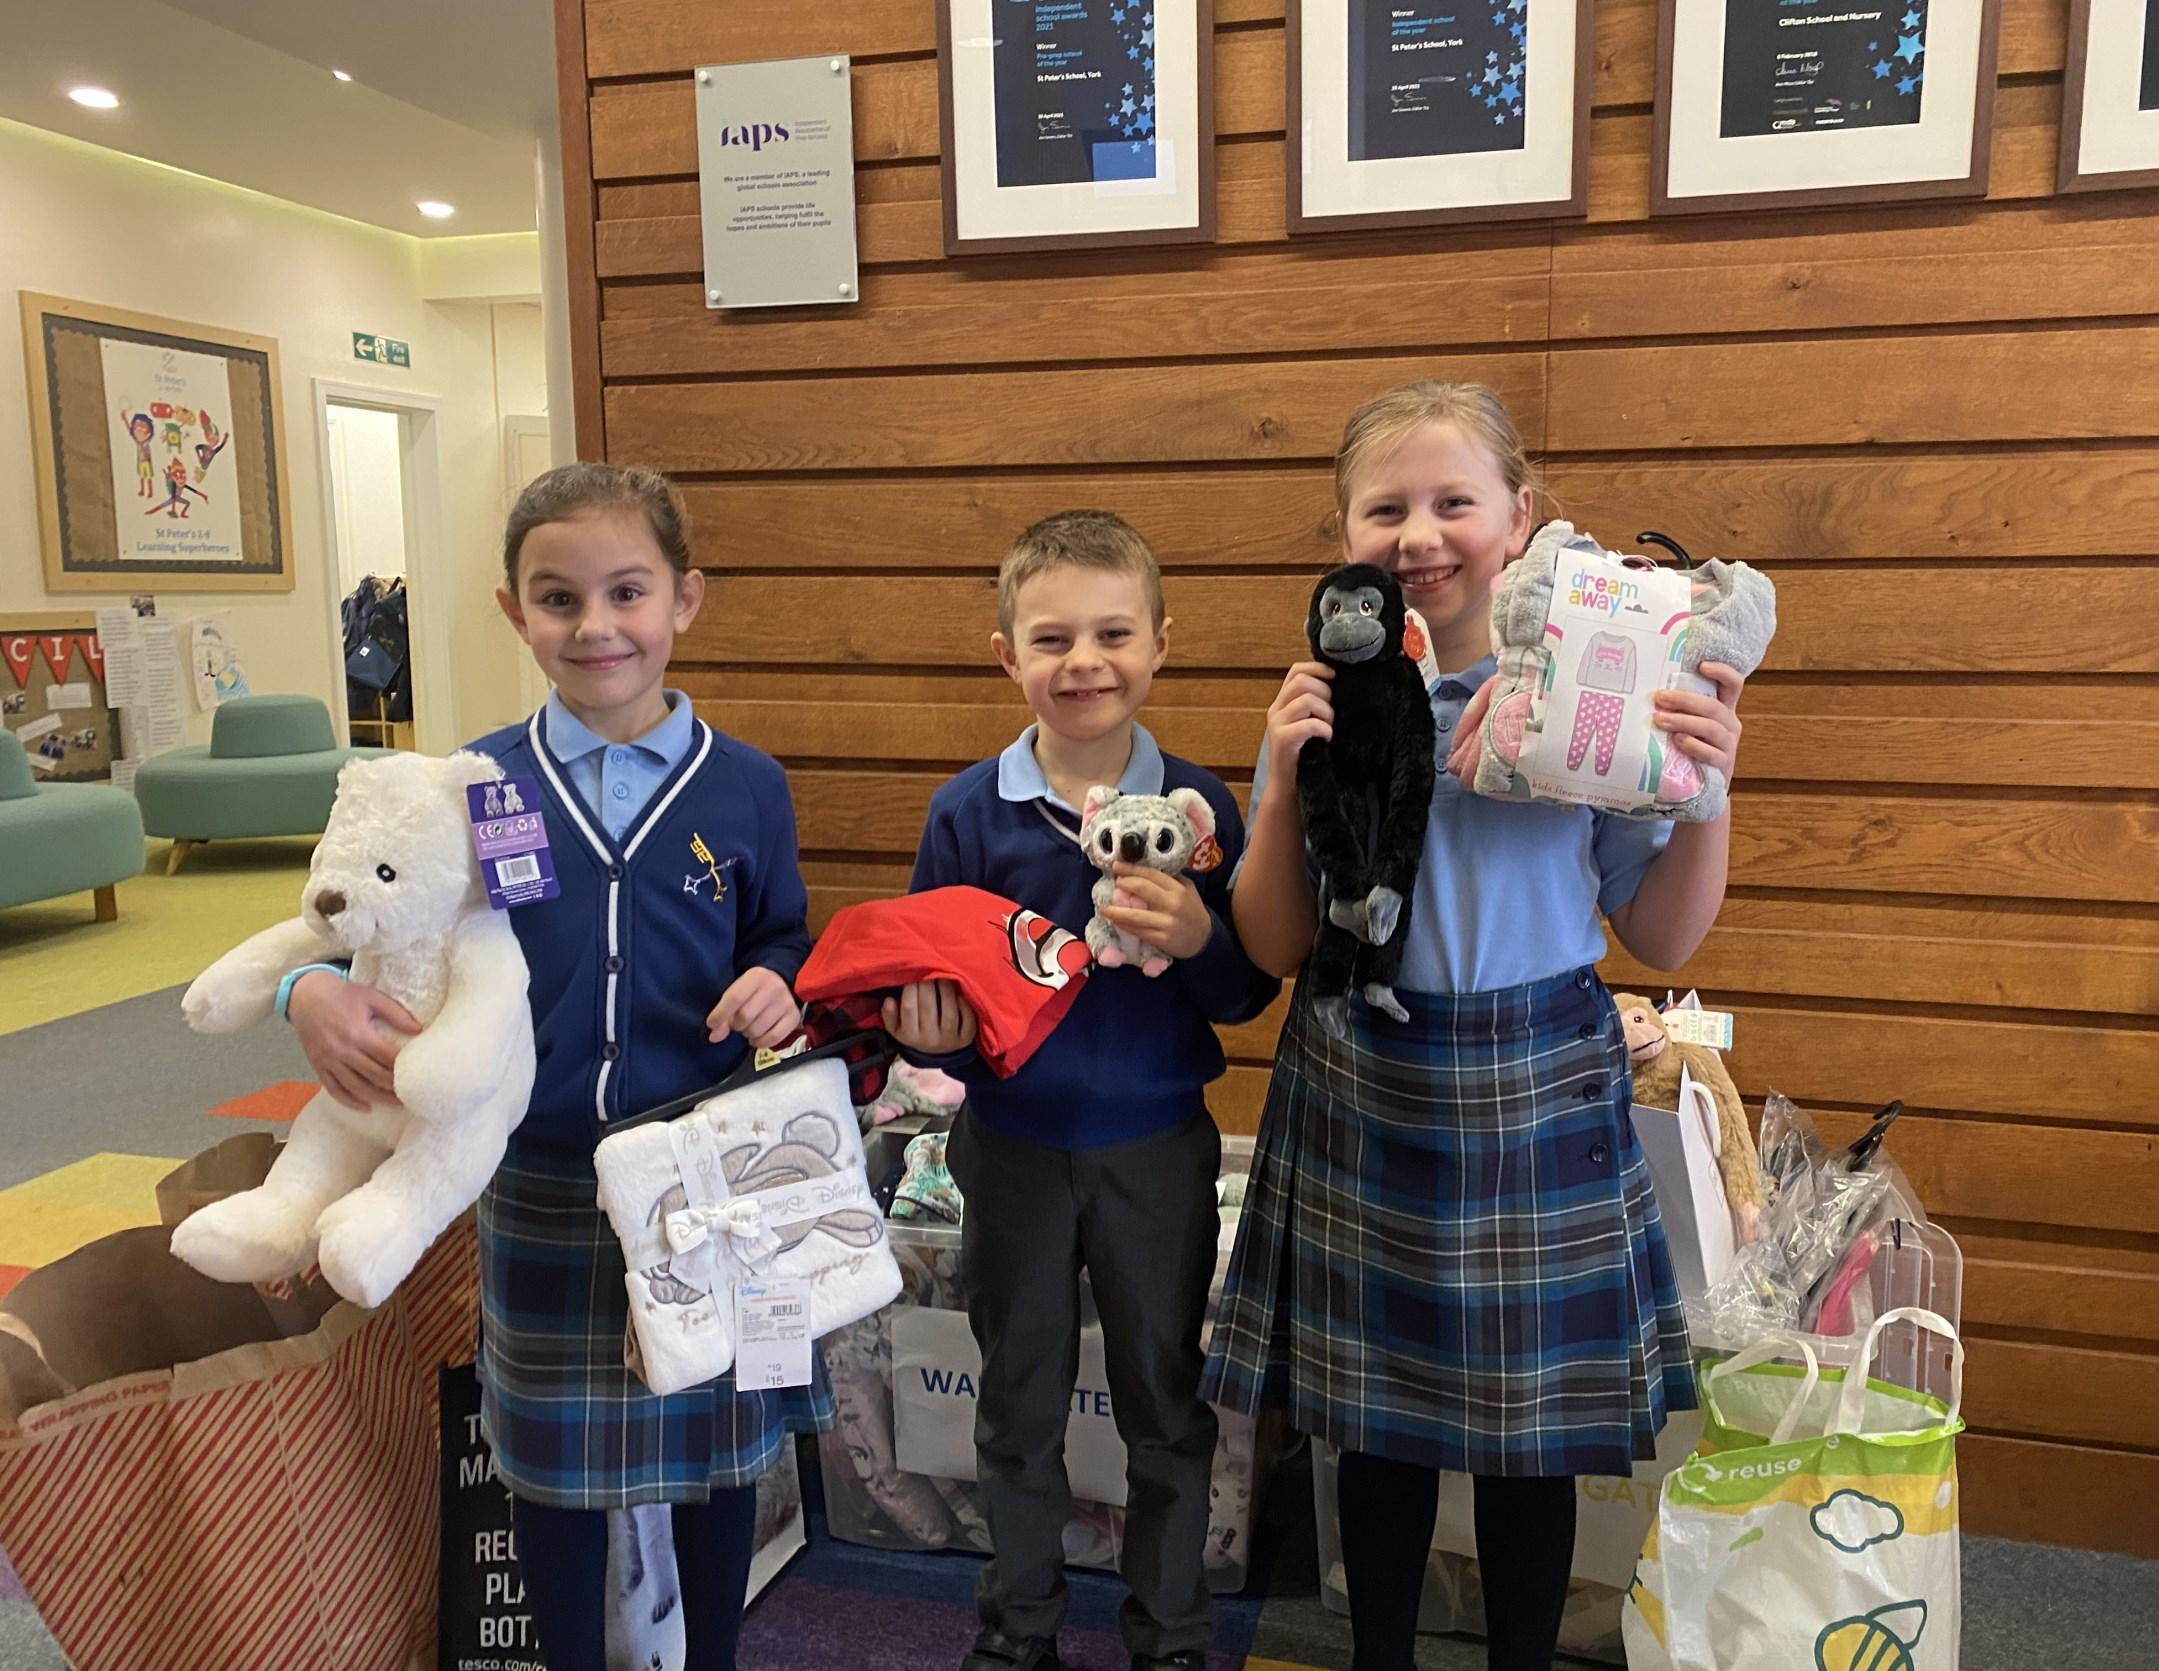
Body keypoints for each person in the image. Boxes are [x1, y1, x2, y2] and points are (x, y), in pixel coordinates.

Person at [1203, 380, 1746, 1671]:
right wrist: (1277, 780)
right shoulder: (1328, 697)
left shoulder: (1592, 686)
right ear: (1343, 532)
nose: (1419, 533)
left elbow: (1662, 938)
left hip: (1534, 1084)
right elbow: (1271, 944)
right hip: (1360, 1074)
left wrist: (1709, 788)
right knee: (1373, 1430)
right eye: (1384, 508)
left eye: (1455, 500)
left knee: (1529, 1443)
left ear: (1520, 516)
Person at [282, 462, 822, 1671]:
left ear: (684, 599)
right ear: (510, 610)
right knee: (553, 1471)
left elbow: (782, 935)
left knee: (717, 1455)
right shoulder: (464, 789)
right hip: (537, 1176)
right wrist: (301, 991)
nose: (596, 627)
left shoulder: (747, 786)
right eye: (558, 598)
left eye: (627, 592)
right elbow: (348, 923)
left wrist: (779, 978)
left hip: (704, 1183)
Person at [887, 510, 1278, 1671]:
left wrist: (1200, 935)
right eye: (1050, 638)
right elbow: (939, 1000)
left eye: (1112, 633)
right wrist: (933, 1041)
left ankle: (1172, 1638)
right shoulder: (966, 813)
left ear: (1160, 643)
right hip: (1009, 1150)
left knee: (1163, 1401)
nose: (1083, 662)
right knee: (1016, 1403)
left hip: (1155, 1153)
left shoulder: (1199, 811)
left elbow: (1241, 993)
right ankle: (1017, 1634)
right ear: (1005, 653)